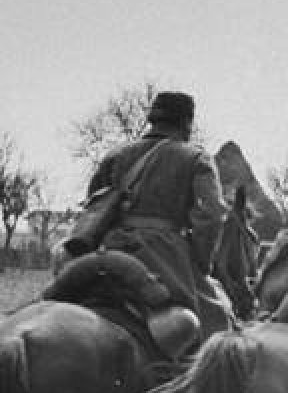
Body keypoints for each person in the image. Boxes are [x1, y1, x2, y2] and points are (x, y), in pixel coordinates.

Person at [92, 91, 233, 343]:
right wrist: (200, 263)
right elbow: (211, 215)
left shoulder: (115, 156)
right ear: (187, 122)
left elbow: (94, 202)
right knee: (217, 322)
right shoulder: (196, 157)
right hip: (165, 254)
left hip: (111, 249)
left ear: (152, 120)